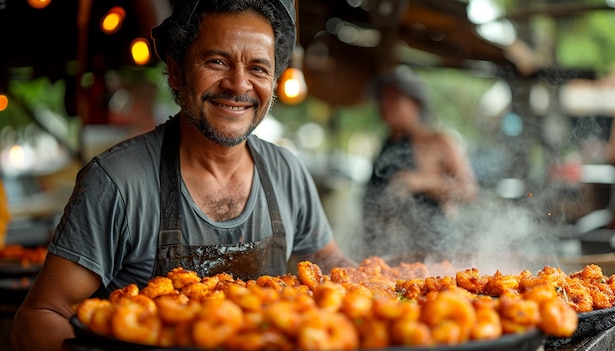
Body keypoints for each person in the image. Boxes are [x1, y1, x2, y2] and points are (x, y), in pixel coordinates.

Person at [10, 1, 356, 350]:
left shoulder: (287, 172)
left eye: (258, 68)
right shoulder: (117, 181)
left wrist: (384, 282)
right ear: (176, 71)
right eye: (217, 61)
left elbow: (332, 264)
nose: (238, 84)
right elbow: (40, 316)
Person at [360, 66, 478, 261]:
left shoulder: (437, 140)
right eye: (382, 98)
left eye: (394, 99)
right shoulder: (386, 143)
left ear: (415, 104)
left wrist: (423, 182)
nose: (384, 104)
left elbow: (468, 190)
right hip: (385, 251)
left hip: (431, 254)